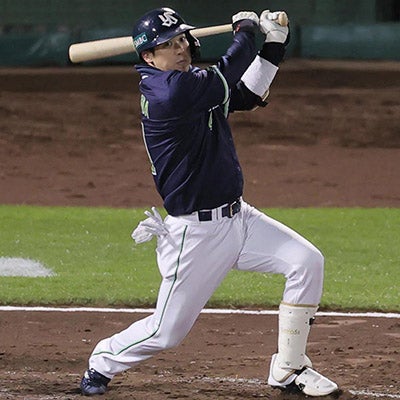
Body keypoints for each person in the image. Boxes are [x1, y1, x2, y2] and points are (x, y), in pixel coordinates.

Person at [80, 7, 339, 397]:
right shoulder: (168, 92)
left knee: (306, 262)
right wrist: (245, 30)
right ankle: (102, 361)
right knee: (166, 332)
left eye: (182, 40)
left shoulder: (191, 86)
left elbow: (246, 94)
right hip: (195, 234)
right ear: (149, 57)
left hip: (239, 219)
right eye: (169, 45)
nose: (181, 49)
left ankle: (288, 367)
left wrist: (273, 44)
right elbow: (227, 72)